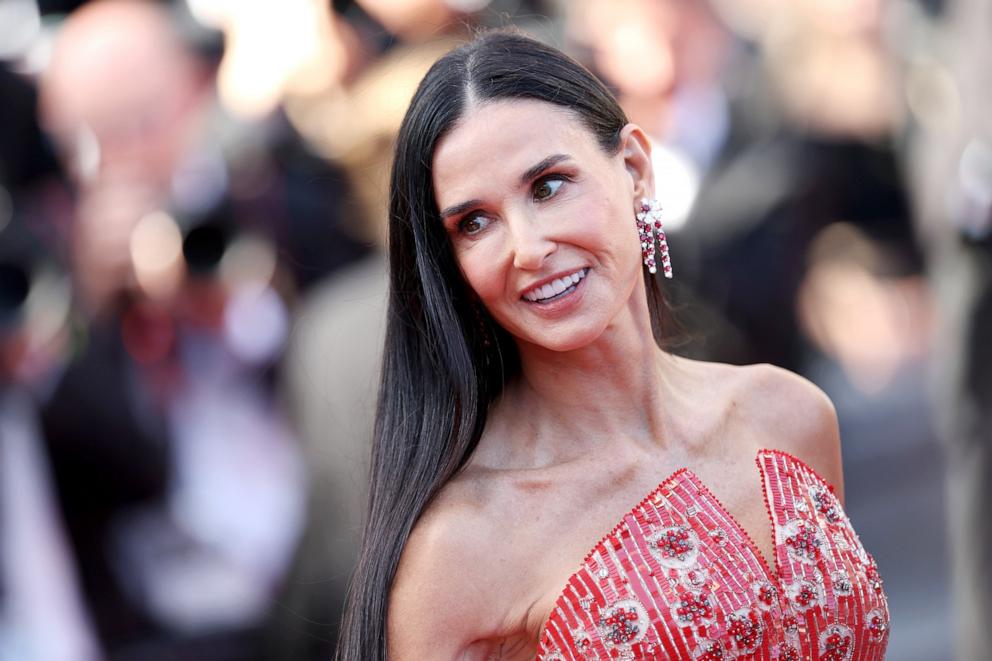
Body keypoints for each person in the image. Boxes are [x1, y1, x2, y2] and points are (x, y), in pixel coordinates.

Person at [336, 31, 891, 660]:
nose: (527, 247)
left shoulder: (788, 414)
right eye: (475, 223)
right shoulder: (464, 547)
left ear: (633, 170)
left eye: (547, 186)